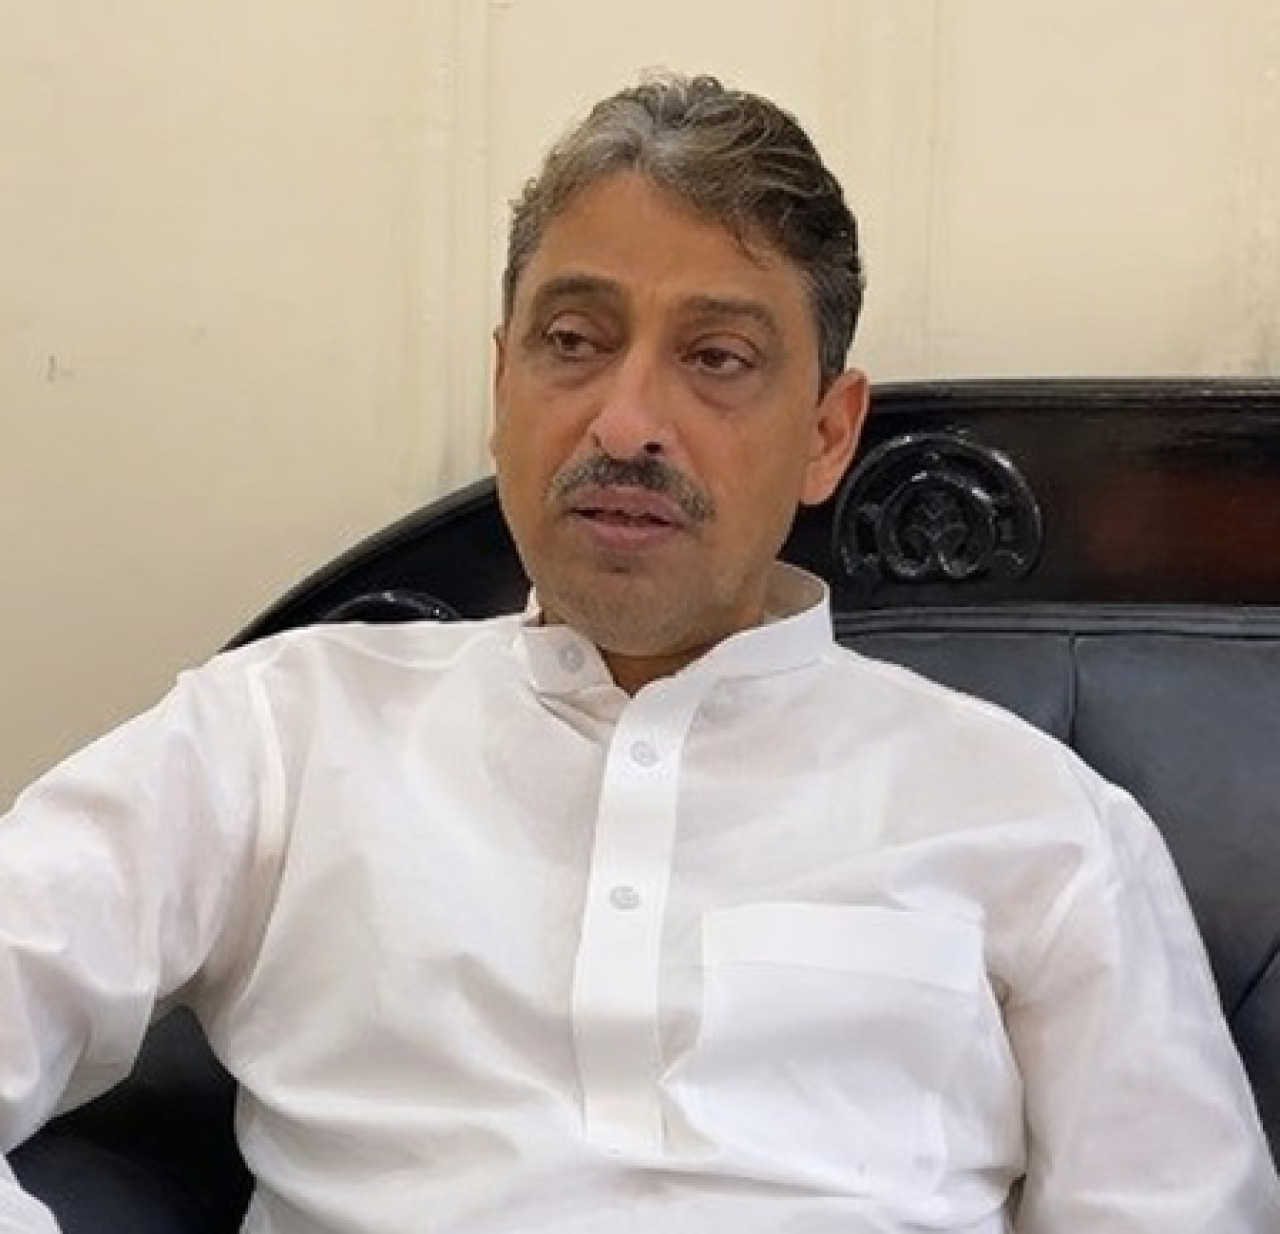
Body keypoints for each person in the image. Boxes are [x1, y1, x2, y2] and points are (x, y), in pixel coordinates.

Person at [1, 72, 1277, 1234]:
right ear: (502, 386)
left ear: (827, 434)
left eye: (716, 358)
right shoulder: (277, 739)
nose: (624, 422)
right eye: (572, 341)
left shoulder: (1036, 823)